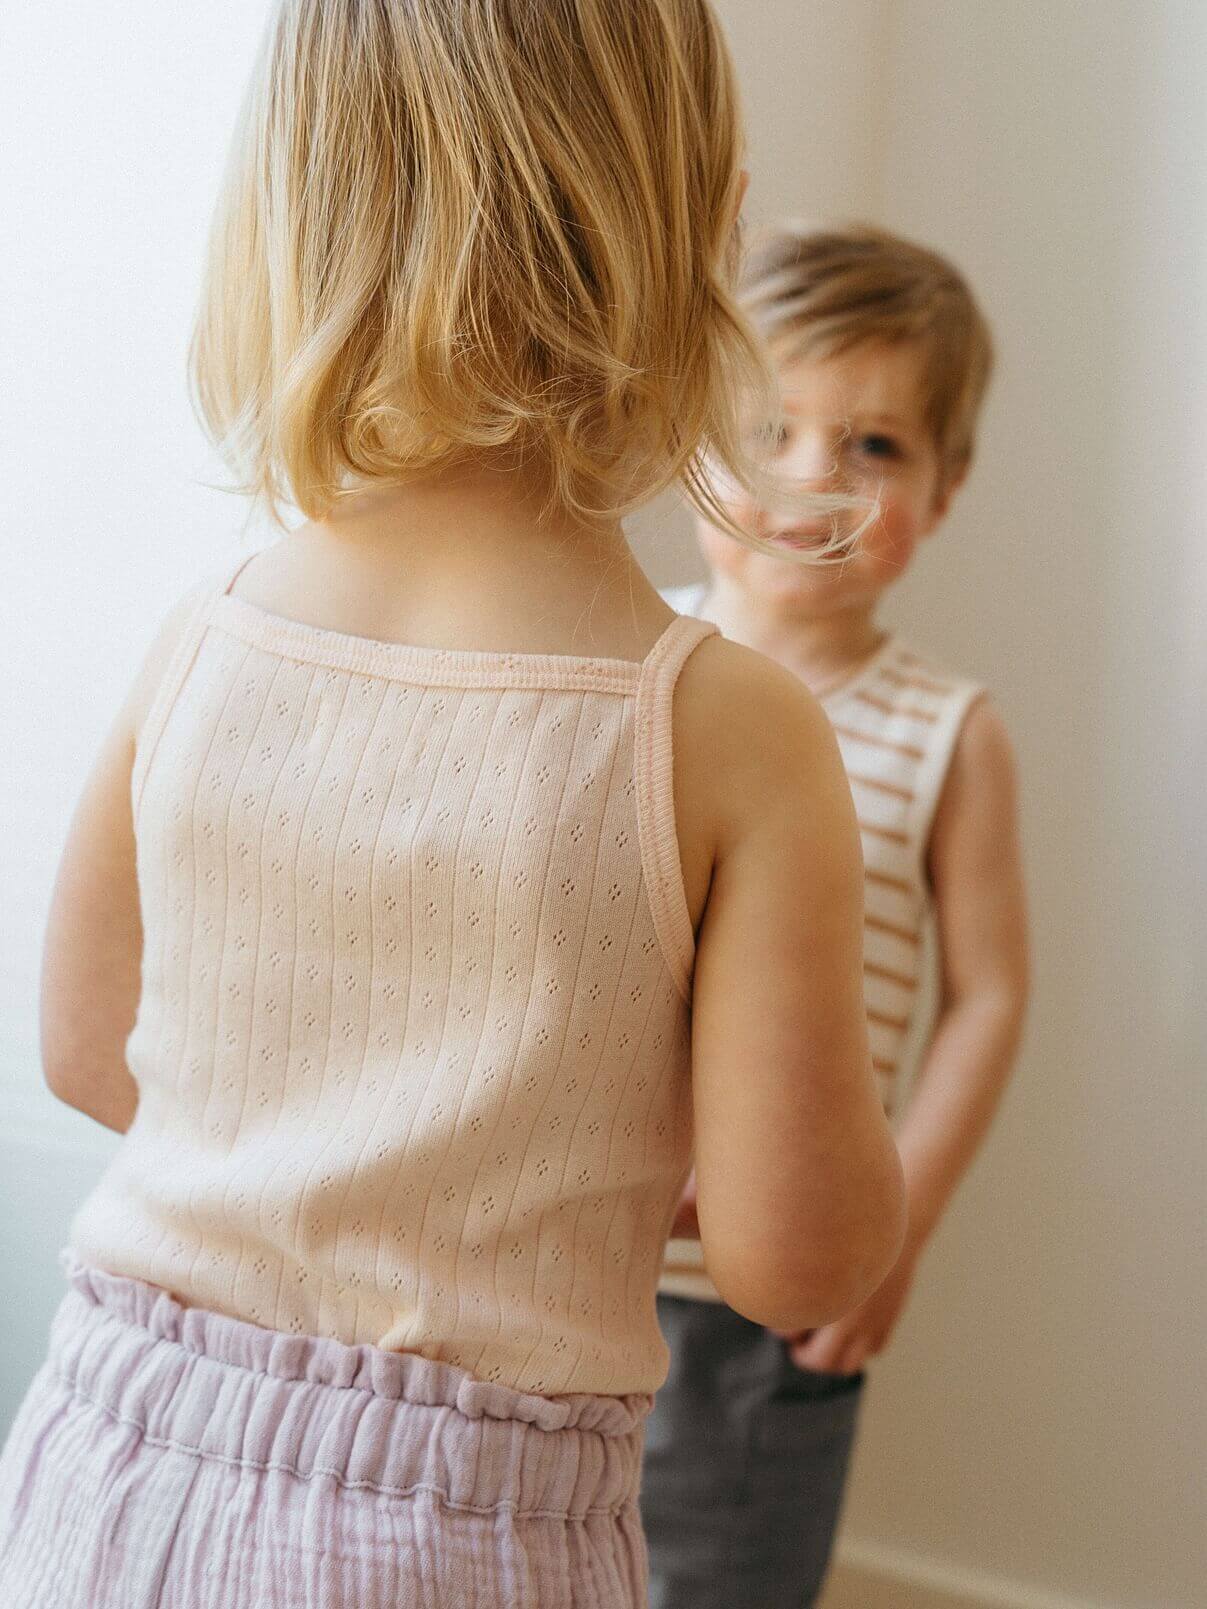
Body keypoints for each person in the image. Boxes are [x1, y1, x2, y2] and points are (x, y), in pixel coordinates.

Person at [0, 12, 906, 1606]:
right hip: (460, 1533)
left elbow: (89, 1046)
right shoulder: (726, 728)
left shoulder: (204, 635)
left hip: (107, 1455)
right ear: (711, 232)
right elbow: (797, 1257)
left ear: (288, 219)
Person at [642, 222, 1030, 1609]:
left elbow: (988, 993)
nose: (812, 474)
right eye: (771, 426)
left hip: (773, 1307)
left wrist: (902, 1218)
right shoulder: (631, 666)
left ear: (947, 483)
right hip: (580, 1259)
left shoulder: (948, 733)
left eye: (874, 446)